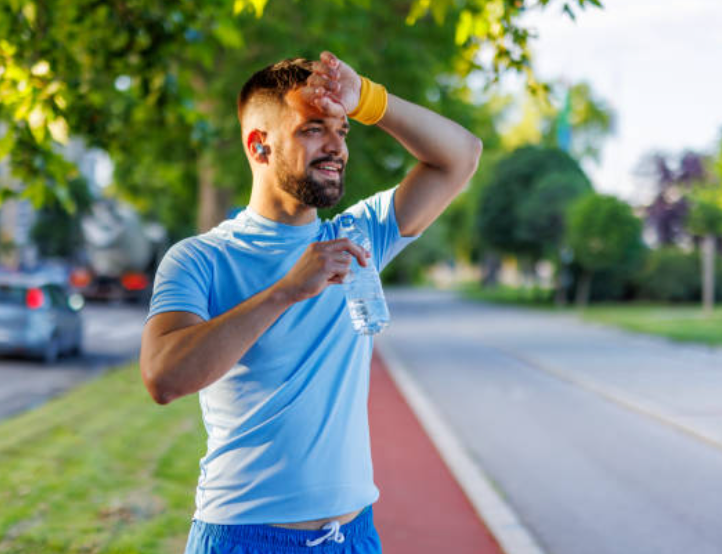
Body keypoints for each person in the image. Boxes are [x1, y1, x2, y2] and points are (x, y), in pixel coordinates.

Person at [139, 51, 482, 553]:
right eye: (313, 129)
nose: (336, 147)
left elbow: (461, 156)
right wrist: (286, 290)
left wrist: (366, 98)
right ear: (259, 145)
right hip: (244, 537)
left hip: (352, 537)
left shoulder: (359, 236)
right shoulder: (200, 258)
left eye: (342, 131)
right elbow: (163, 377)